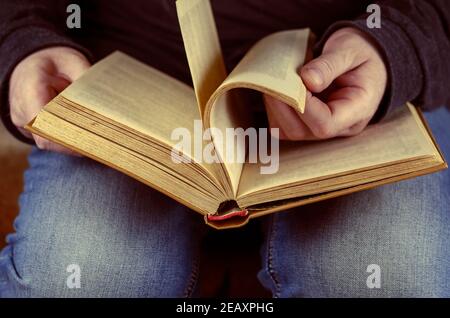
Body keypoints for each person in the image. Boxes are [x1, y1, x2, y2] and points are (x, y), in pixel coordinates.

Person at [0, 0, 449, 297]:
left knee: (388, 278)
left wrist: (394, 46)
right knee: (76, 280)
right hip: (123, 105)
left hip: (357, 91)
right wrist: (21, 48)